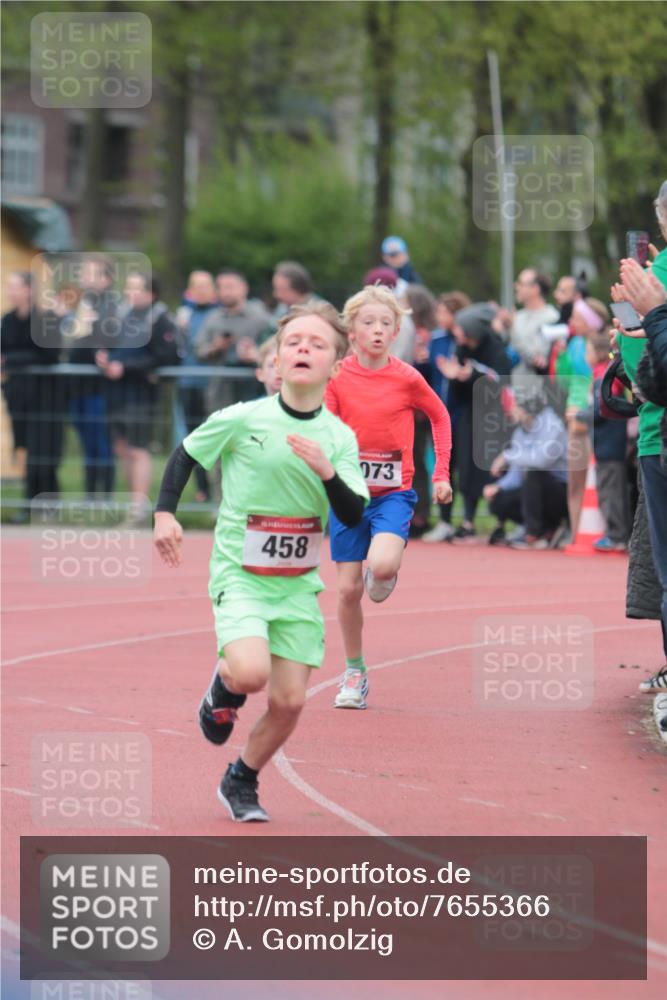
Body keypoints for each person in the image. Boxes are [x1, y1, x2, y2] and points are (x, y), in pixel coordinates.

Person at [153, 302, 368, 821]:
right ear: (275, 361)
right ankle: (223, 689)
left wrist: (326, 472)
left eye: (317, 344)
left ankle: (241, 779)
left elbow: (353, 511)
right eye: (293, 342)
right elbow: (185, 453)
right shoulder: (244, 417)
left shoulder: (339, 438)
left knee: (291, 702)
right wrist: (164, 514)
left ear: (336, 366)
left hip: (295, 586)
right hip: (241, 575)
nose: (302, 350)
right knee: (250, 673)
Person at [324, 284, 452, 710]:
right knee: (345, 593)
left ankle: (384, 568)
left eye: (385, 323)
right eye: (368, 323)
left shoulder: (407, 377)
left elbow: (439, 415)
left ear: (397, 330)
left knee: (380, 565)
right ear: (352, 331)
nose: (377, 330)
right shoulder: (338, 376)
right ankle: (355, 671)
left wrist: (441, 473)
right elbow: (322, 428)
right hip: (347, 496)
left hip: (394, 492)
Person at [96, 273, 177, 525]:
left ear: (151, 293)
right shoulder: (122, 315)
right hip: (116, 392)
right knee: (121, 448)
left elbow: (166, 357)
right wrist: (103, 358)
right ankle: (132, 503)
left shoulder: (161, 318)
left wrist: (126, 367)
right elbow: (110, 344)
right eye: (128, 287)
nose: (130, 293)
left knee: (138, 449)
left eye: (136, 288)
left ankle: (140, 508)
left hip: (141, 394)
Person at [436, 303, 511, 540]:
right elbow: (459, 381)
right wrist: (457, 378)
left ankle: (500, 522)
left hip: (492, 415)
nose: (457, 333)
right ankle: (467, 521)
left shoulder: (496, 348)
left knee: (492, 466)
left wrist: (474, 375)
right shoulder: (461, 348)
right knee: (467, 468)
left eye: (461, 328)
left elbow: (501, 381)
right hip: (470, 412)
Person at [1, 271, 64, 513]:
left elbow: (50, 355)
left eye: (15, 287)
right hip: (19, 395)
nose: (11, 292)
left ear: (29, 290)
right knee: (26, 448)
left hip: (45, 396)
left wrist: (11, 360)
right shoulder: (7, 320)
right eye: (9, 287)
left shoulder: (44, 320)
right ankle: (28, 502)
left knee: (44, 450)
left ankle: (48, 502)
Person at [63, 256, 118, 498]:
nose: (83, 277)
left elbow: (107, 341)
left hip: (100, 386)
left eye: (91, 273)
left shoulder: (113, 306)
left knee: (101, 442)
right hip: (77, 384)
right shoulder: (81, 303)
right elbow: (68, 341)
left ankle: (103, 495)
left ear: (106, 279)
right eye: (83, 272)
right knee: (87, 442)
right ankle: (89, 495)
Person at [487, 390, 569, 550]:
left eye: (512, 406)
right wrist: (499, 487)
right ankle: (546, 529)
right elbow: (516, 472)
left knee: (533, 474)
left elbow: (542, 461)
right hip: (535, 489)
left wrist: (507, 456)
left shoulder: (552, 425)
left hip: (560, 492)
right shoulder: (520, 431)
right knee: (498, 500)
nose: (508, 411)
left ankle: (534, 535)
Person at [554, 297, 608, 539]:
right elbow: (562, 382)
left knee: (596, 477)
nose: (571, 321)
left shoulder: (601, 346)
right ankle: (577, 531)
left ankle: (599, 530)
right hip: (573, 412)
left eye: (577, 316)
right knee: (575, 477)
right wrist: (562, 357)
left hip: (593, 413)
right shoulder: (574, 344)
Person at [422, 291, 471, 543]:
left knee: (464, 466)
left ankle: (467, 520)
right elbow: (429, 372)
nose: (439, 316)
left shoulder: (467, 339)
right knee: (443, 468)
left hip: (461, 412)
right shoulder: (436, 339)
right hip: (437, 412)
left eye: (443, 311)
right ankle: (444, 521)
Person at [577, 328, 630, 552]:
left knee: (610, 489)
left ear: (598, 352)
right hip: (610, 443)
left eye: (587, 350)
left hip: (609, 444)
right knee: (612, 487)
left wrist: (580, 414)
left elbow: (602, 407)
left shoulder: (603, 377)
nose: (584, 355)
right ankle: (617, 532)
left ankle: (616, 534)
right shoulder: (604, 374)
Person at [196, 270, 274, 410]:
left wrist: (254, 354)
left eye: (230, 287)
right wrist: (215, 347)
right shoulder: (213, 318)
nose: (225, 292)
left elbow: (275, 351)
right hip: (220, 390)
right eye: (221, 287)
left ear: (244, 288)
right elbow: (198, 349)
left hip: (253, 388)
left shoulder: (261, 319)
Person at [175, 270, 218, 502]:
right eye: (196, 285)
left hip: (212, 385)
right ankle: (202, 490)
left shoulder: (219, 313)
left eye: (205, 285)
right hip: (187, 382)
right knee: (194, 437)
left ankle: (218, 489)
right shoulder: (184, 314)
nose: (201, 290)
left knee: (215, 437)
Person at [509, 269, 559, 394]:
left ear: (535, 289)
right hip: (515, 394)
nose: (516, 286)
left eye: (521, 283)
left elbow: (537, 359)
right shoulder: (517, 317)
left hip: (538, 396)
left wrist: (511, 329)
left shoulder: (552, 317)